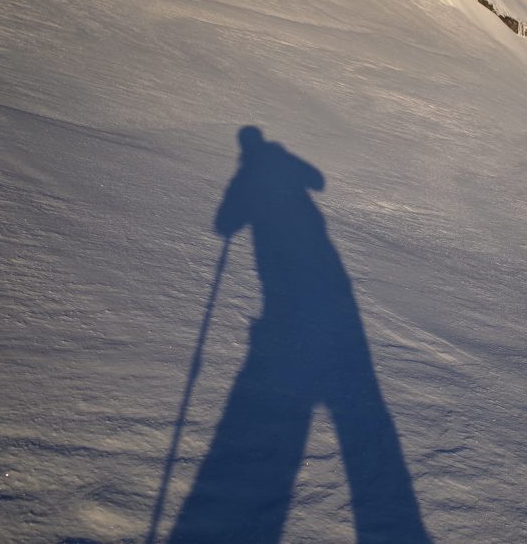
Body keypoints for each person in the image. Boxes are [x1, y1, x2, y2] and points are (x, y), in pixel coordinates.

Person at [170, 126, 429, 543]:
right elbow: (319, 182)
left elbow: (223, 225)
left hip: (282, 277)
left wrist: (241, 205)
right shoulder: (280, 163)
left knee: (292, 317)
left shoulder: (248, 174)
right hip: (323, 266)